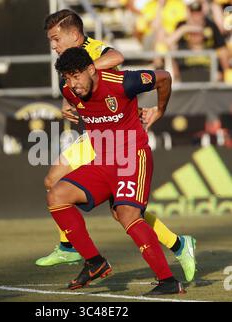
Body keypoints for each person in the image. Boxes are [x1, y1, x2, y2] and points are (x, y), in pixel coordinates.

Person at [36, 9, 197, 284]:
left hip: (123, 142)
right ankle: (87, 256)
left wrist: (155, 109)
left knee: (125, 212)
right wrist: (72, 96)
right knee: (58, 188)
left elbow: (121, 60)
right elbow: (75, 92)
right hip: (100, 139)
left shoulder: (95, 52)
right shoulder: (69, 77)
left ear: (74, 35)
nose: (53, 46)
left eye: (55, 39)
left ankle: (71, 248)